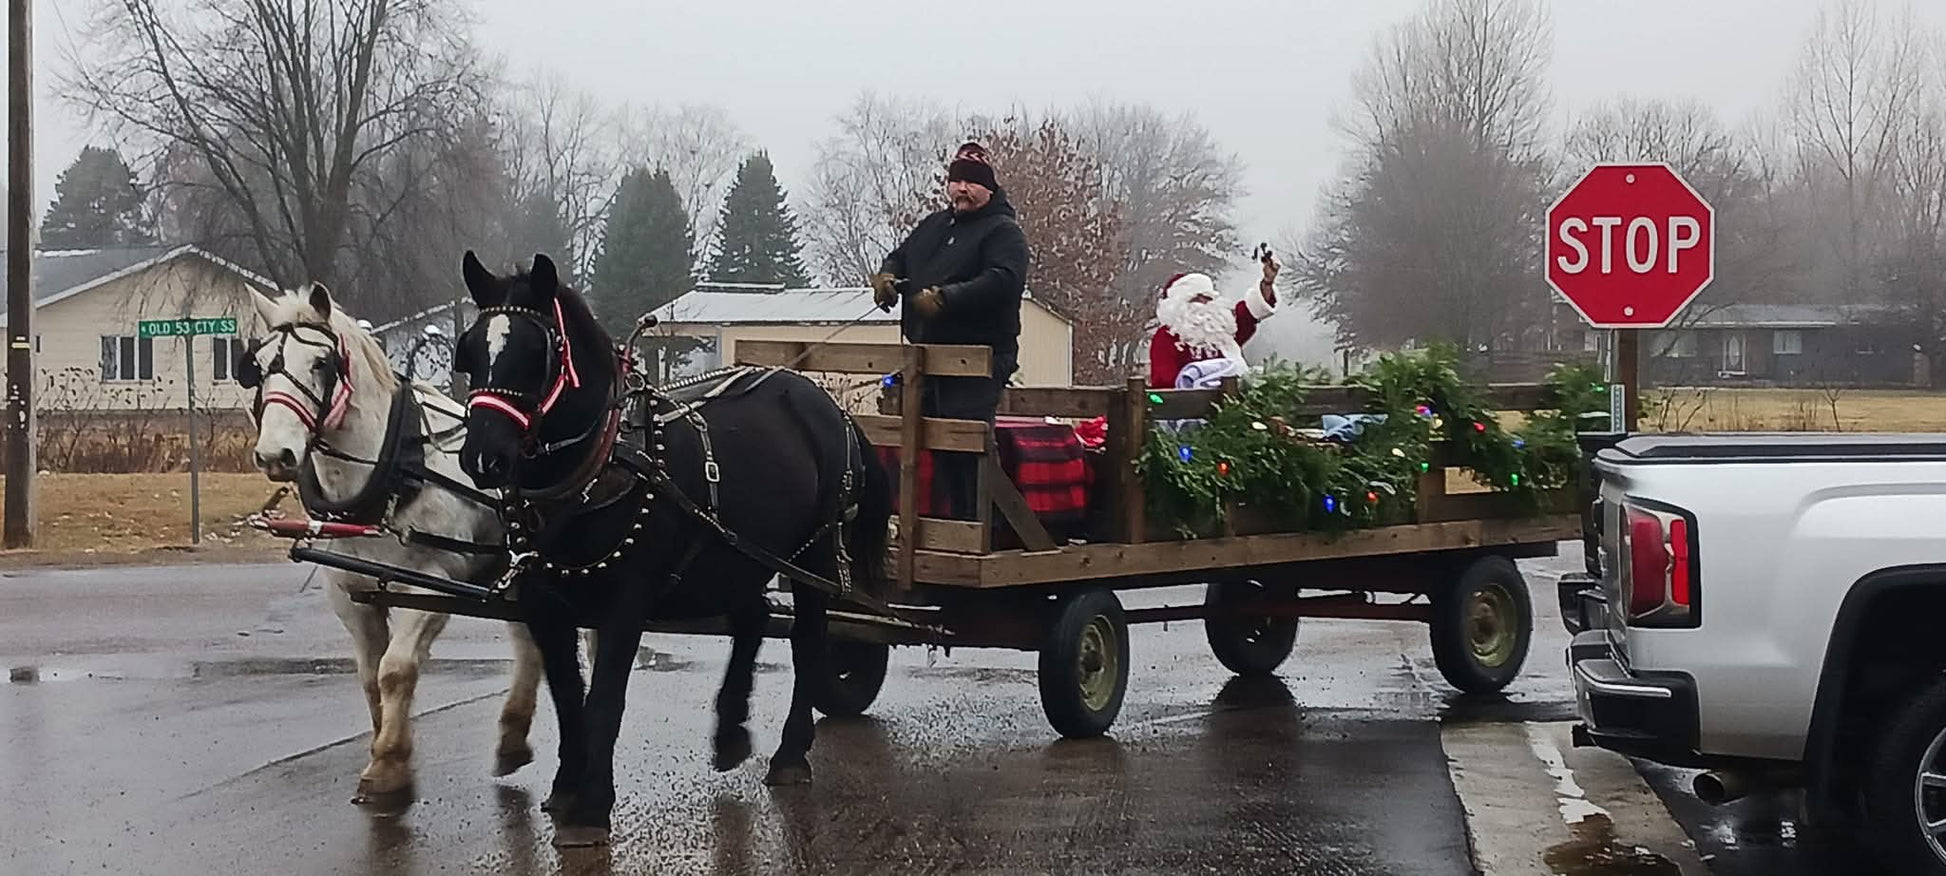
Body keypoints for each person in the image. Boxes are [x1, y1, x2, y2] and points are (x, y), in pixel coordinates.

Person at [871, 142, 1030, 520]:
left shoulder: (1004, 233)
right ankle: (951, 527)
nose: (962, 189)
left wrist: (947, 299)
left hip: (978, 360)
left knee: (966, 446)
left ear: (988, 188)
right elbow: (900, 255)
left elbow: (1003, 280)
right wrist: (888, 275)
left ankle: (982, 528)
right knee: (936, 451)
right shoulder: (933, 227)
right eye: (956, 181)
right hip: (928, 359)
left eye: (971, 182)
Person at [1146, 250, 1280, 389]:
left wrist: (1267, 282)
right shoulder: (1166, 337)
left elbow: (1250, 313)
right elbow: (1164, 383)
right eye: (1197, 299)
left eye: (1208, 299)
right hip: (1190, 401)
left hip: (1231, 398)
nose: (1204, 304)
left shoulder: (1222, 331)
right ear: (1178, 304)